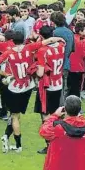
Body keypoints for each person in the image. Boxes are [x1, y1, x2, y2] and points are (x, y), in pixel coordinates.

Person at [0, 31, 62, 153]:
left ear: (12, 41)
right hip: (28, 87)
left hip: (15, 88)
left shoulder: (8, 53)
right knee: (17, 114)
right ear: (24, 39)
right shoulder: (29, 48)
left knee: (15, 116)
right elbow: (49, 41)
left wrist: (5, 74)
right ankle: (6, 136)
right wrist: (59, 38)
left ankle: (17, 145)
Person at [39, 96, 85, 170]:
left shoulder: (57, 128)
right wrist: (80, 117)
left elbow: (43, 131)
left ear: (65, 109)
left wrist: (54, 115)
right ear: (79, 110)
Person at [34, 26, 66, 154]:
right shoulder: (61, 46)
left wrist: (34, 69)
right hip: (58, 83)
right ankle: (59, 141)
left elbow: (41, 73)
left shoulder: (43, 50)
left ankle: (51, 144)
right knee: (55, 113)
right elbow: (62, 41)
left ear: (41, 36)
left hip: (47, 86)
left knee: (46, 115)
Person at [50, 12, 74, 104]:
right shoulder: (70, 32)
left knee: (55, 90)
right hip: (66, 64)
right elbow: (72, 49)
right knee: (63, 89)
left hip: (55, 65)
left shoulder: (54, 32)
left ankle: (58, 111)